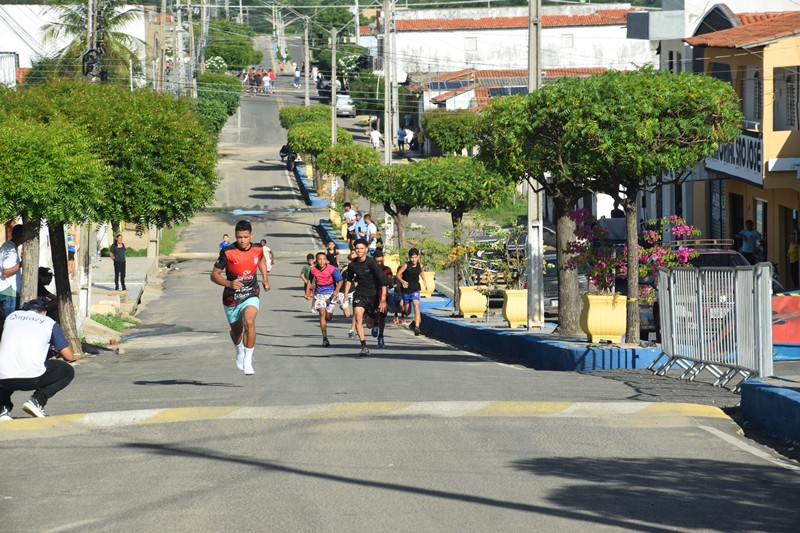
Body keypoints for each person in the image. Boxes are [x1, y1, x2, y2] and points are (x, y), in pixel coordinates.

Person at [210, 220, 270, 375]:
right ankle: (239, 350)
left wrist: (265, 278)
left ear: (251, 235)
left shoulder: (258, 249)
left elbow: (261, 259)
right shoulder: (227, 252)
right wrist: (229, 283)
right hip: (231, 297)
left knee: (249, 322)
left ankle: (248, 360)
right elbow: (214, 275)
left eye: (245, 237)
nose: (242, 240)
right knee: (236, 331)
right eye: (239, 237)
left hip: (251, 292)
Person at [0, 297, 76, 420]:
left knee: (7, 365)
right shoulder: (48, 322)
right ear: (44, 312)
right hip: (32, 378)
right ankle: (37, 400)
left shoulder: (11, 316)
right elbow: (69, 356)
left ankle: (2, 408)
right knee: (67, 371)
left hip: (3, 378)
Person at [343, 240, 388, 356]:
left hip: (373, 296)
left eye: (361, 248)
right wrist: (346, 294)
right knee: (358, 317)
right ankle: (364, 346)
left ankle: (374, 321)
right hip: (359, 295)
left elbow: (383, 281)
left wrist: (383, 299)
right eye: (357, 248)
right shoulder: (352, 265)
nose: (359, 250)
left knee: (369, 324)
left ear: (366, 249)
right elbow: (349, 280)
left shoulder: (372, 263)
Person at [305, 252, 344, 347]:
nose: (321, 261)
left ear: (326, 260)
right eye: (319, 259)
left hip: (331, 294)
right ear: (316, 260)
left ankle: (328, 314)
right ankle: (325, 337)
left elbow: (340, 281)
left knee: (328, 317)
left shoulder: (332, 269)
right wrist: (307, 292)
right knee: (322, 313)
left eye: (323, 259)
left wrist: (336, 291)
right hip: (319, 295)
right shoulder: (313, 270)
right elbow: (309, 280)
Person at [396, 247, 428, 336]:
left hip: (415, 288)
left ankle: (417, 327)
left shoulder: (420, 265)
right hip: (406, 289)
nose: (414, 259)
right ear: (409, 258)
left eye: (415, 257)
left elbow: (421, 272)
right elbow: (398, 275)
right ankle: (403, 306)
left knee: (416, 305)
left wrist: (424, 281)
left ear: (418, 257)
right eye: (412, 258)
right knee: (407, 312)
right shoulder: (406, 265)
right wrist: (402, 281)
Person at [0, 224, 24, 320]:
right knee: (10, 321)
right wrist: (22, 264)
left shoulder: (10, 247)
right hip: (9, 291)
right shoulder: (9, 250)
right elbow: (6, 273)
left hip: (8, 290)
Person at [372, 250, 394, 348]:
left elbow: (389, 281)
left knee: (383, 315)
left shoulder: (387, 269)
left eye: (381, 261)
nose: (379, 263)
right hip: (372, 294)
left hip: (383, 295)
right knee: (374, 313)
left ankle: (381, 335)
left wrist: (389, 280)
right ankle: (375, 323)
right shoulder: (370, 269)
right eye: (377, 262)